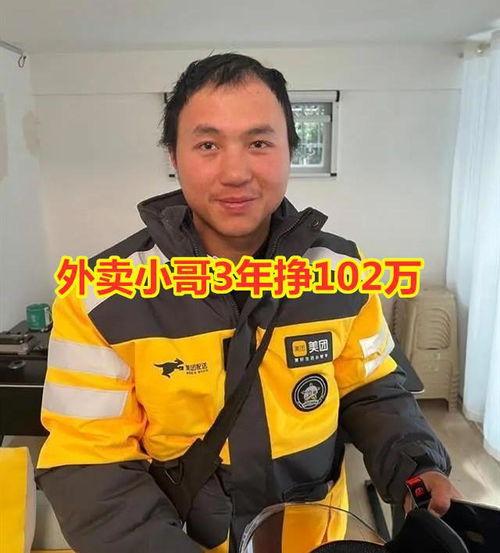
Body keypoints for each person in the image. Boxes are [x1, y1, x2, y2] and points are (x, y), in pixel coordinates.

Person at [36, 53, 461, 553]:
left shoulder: (338, 271)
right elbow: (89, 462)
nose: (235, 172)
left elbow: (371, 388)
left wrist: (418, 466)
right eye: (208, 145)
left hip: (314, 538)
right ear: (173, 156)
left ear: (290, 150)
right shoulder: (101, 294)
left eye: (259, 143)